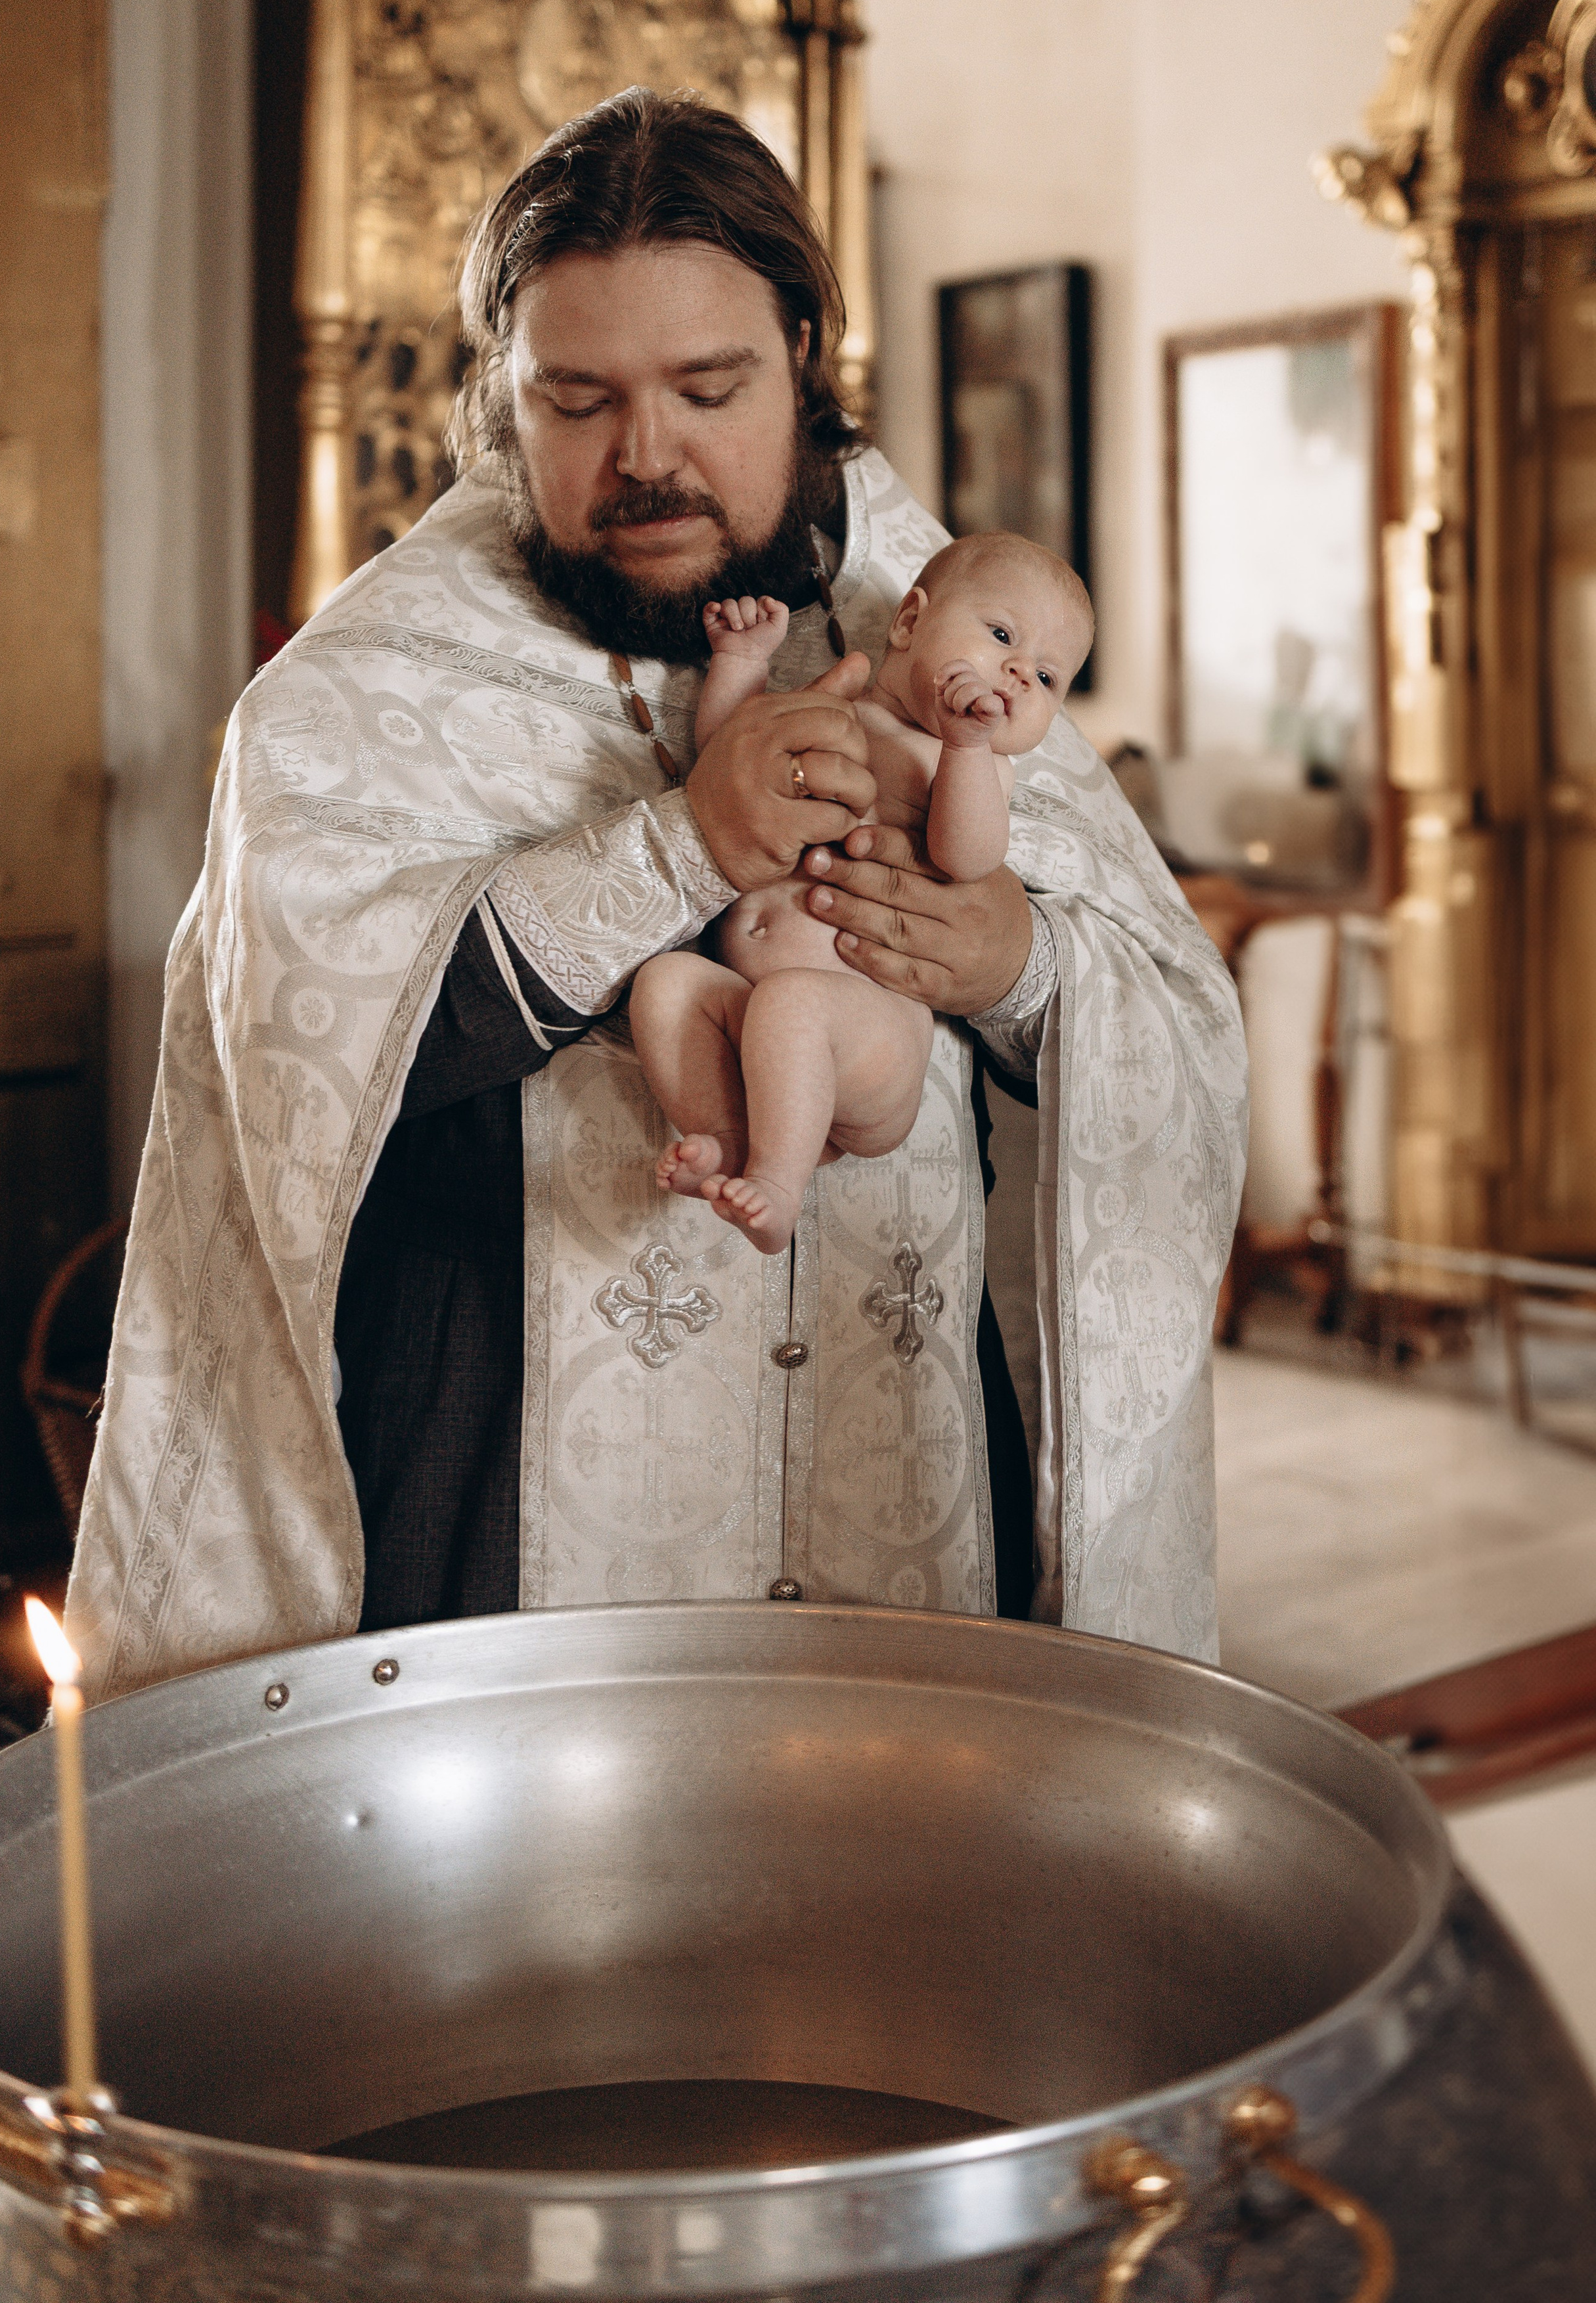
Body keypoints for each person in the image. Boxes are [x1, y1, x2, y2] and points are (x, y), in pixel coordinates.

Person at [66, 88, 1247, 1703]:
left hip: (903, 1502)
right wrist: (680, 844)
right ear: (504, 399)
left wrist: (1016, 959)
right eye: (577, 399)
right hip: (493, 1544)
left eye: (708, 387)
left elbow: (1170, 1013)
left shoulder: (948, 636)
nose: (647, 456)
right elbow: (293, 1072)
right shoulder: (356, 691)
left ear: (804, 355)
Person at [632, 535, 1094, 1253]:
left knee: (792, 1004)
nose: (1015, 673)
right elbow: (728, 755)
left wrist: (967, 750)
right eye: (1002, 636)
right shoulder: (831, 705)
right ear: (909, 622)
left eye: (1046, 678)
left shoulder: (970, 764)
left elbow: (967, 857)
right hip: (753, 1012)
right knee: (663, 985)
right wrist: (743, 664)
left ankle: (779, 1189)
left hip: (869, 1037)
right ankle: (728, 1145)